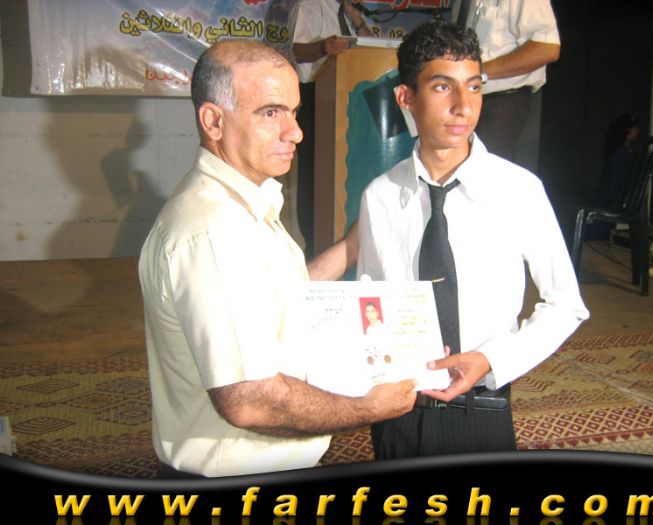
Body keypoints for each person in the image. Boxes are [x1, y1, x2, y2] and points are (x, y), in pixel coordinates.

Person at [138, 39, 416, 478]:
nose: (295, 132)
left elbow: (275, 296)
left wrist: (352, 246)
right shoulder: (215, 229)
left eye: (293, 111)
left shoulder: (239, 204)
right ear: (213, 121)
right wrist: (368, 409)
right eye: (271, 113)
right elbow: (250, 401)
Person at [355, 20, 589, 458]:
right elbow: (372, 304)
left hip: (481, 408)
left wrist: (491, 360)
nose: (464, 106)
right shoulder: (380, 197)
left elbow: (566, 305)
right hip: (398, 411)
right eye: (443, 87)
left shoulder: (518, 190)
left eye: (475, 87)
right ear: (406, 98)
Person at [287, 0, 375, 258]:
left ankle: (347, 239)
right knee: (314, 175)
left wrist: (357, 19)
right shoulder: (310, 5)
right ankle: (314, 245)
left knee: (345, 169)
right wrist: (323, 47)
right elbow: (296, 51)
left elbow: (375, 48)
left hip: (349, 97)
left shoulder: (351, 11)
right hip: (315, 96)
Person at [452, 0, 561, 162]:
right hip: (467, 98)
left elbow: (547, 48)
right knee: (460, 168)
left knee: (484, 169)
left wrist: (477, 72)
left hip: (500, 101)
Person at [597, 113, 641, 211]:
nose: (638, 131)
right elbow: (616, 183)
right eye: (635, 128)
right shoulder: (621, 154)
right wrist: (616, 207)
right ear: (627, 131)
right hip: (611, 208)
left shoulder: (623, 152)